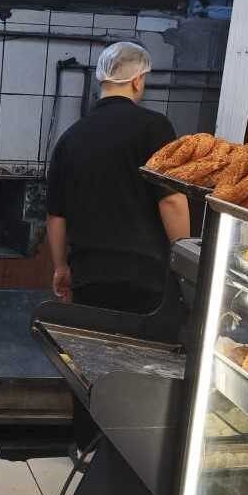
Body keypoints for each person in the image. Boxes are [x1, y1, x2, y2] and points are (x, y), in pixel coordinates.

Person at [46, 41, 191, 314]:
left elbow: (56, 217)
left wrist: (61, 268)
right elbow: (171, 201)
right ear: (137, 81)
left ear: (102, 79)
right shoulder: (155, 127)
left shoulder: (70, 138)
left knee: (94, 338)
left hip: (88, 277)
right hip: (145, 277)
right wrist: (184, 267)